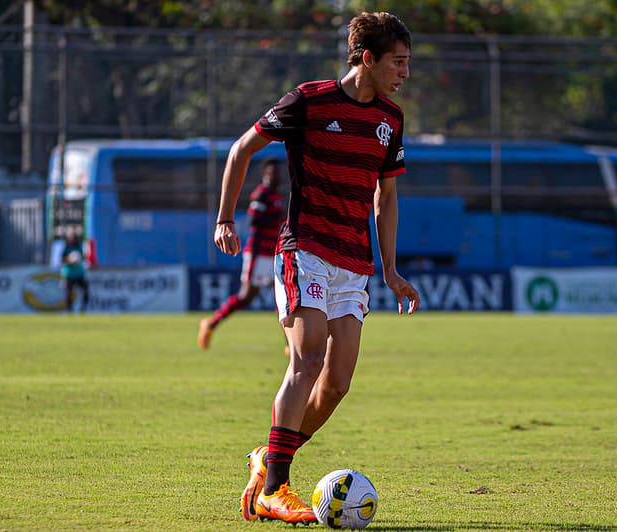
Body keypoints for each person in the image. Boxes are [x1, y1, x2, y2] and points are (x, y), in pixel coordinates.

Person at [213, 12, 420, 524]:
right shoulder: (309, 100)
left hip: (354, 264)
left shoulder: (390, 120)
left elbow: (386, 196)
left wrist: (390, 269)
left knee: (336, 383)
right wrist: (225, 219)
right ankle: (275, 489)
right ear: (367, 58)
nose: (405, 72)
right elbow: (242, 148)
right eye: (398, 62)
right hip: (303, 250)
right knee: (306, 359)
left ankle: (270, 457)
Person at [198, 158, 285, 350]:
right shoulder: (261, 194)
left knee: (282, 296)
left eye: (278, 173)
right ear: (265, 175)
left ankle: (291, 344)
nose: (277, 176)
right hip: (258, 253)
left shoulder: (277, 196)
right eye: (273, 172)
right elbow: (254, 220)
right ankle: (210, 324)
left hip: (274, 253)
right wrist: (276, 216)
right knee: (246, 296)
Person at [60, 227, 90, 312]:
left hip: (79, 274)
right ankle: (69, 310)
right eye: (71, 237)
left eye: (74, 237)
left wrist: (81, 259)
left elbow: (83, 258)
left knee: (86, 290)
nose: (72, 239)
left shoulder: (79, 247)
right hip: (69, 274)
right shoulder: (66, 247)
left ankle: (83, 309)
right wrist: (70, 260)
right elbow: (61, 260)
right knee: (68, 293)